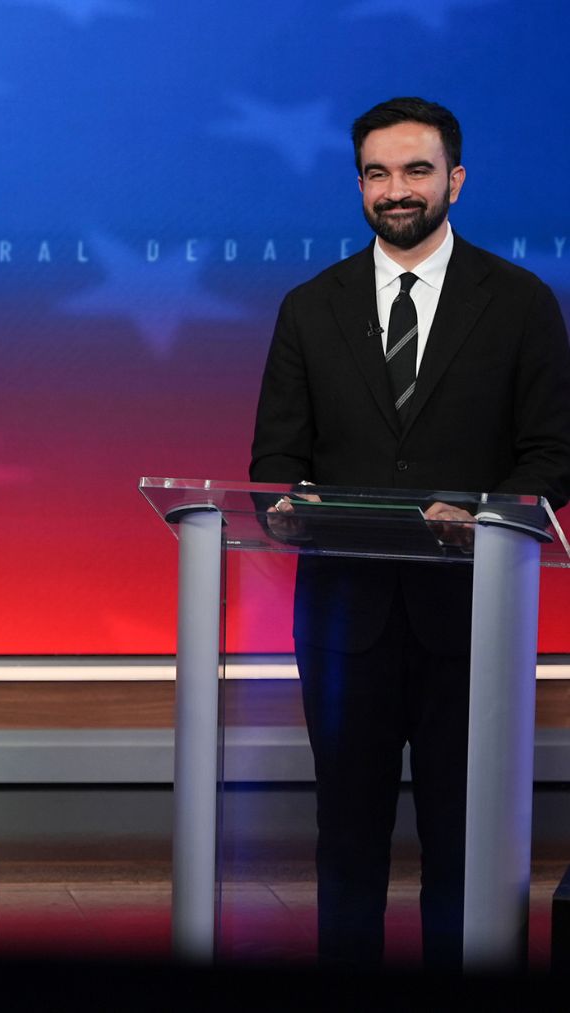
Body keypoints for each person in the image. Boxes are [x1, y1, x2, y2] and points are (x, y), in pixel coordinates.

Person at [249, 96, 570, 969]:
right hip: (345, 621)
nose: (397, 190)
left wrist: (487, 517)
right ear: (359, 184)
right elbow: (273, 462)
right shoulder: (312, 307)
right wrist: (283, 508)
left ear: (456, 180)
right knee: (346, 837)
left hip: (471, 622)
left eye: (417, 170)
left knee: (461, 840)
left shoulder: (519, 303)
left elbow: (552, 454)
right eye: (378, 173)